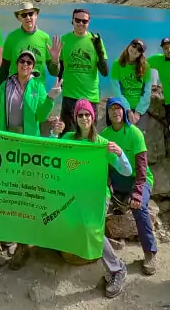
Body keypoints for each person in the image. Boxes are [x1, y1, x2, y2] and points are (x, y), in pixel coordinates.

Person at [52, 100, 132, 298]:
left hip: (98, 195)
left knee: (92, 227)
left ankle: (117, 269)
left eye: (87, 115)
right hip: (74, 194)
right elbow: (50, 152)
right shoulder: (70, 138)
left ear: (93, 117)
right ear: (75, 118)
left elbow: (127, 170)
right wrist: (54, 133)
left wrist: (121, 154)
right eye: (80, 115)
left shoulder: (102, 144)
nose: (84, 118)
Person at [0, 48, 63, 269]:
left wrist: (51, 97)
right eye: (22, 61)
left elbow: (42, 116)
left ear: (33, 67)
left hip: (29, 144)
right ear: (16, 63)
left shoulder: (37, 86)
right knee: (10, 189)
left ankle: (24, 243)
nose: (25, 65)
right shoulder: (5, 85)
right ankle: (9, 234)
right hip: (8, 143)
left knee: (26, 191)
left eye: (29, 62)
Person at [103, 97, 157, 275]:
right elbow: (105, 166)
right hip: (119, 179)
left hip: (139, 179)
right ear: (108, 113)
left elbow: (142, 168)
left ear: (124, 112)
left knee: (139, 207)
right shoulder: (105, 134)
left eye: (119, 109)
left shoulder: (134, 133)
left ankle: (150, 252)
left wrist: (138, 193)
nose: (115, 112)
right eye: (112, 109)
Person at [47, 7, 109, 130]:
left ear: (89, 22)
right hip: (69, 97)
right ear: (72, 21)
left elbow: (105, 72)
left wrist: (100, 53)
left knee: (88, 137)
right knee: (67, 137)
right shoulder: (64, 40)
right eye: (78, 20)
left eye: (84, 21)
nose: (81, 23)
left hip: (90, 97)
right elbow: (56, 72)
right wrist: (54, 60)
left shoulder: (95, 40)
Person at [0, 1, 51, 85]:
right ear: (19, 18)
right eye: (24, 15)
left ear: (36, 15)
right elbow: (4, 69)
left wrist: (55, 61)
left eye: (30, 14)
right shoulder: (11, 37)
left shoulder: (45, 38)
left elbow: (53, 72)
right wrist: (0, 93)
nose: (28, 17)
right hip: (15, 89)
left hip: (38, 91)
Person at [111, 39, 151, 129]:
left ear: (141, 53)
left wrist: (138, 112)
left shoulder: (146, 66)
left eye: (139, 50)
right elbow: (117, 90)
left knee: (140, 135)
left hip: (140, 108)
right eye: (134, 46)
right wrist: (128, 110)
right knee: (123, 133)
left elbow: (147, 91)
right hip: (122, 106)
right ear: (129, 46)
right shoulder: (117, 64)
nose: (135, 50)